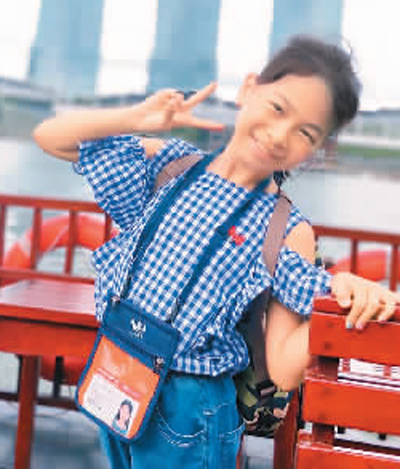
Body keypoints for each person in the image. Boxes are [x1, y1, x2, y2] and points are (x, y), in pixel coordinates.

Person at [33, 35, 399, 469]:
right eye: (277, 107)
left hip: (190, 408)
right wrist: (135, 117)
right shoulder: (172, 166)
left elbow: (283, 367)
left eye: (305, 132)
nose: (279, 134)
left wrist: (346, 296)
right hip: (117, 373)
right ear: (249, 89)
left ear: (316, 149)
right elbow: (51, 137)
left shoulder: (285, 228)